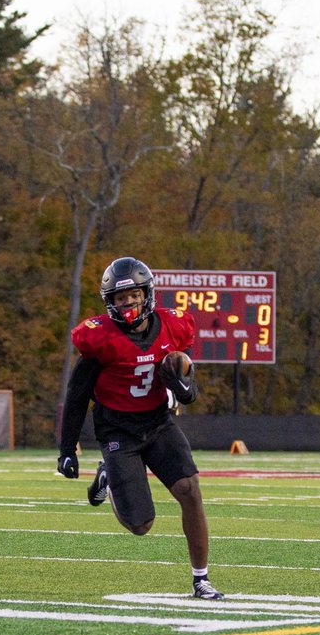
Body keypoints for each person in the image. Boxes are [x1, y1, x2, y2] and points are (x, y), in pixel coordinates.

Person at [57, 256, 225, 600]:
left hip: (158, 423)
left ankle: (201, 579)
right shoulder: (99, 338)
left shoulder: (173, 325)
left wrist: (185, 389)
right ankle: (109, 479)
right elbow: (77, 397)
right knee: (140, 525)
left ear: (146, 294)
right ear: (110, 303)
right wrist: (66, 450)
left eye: (133, 295)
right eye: (120, 298)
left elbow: (186, 376)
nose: (128, 302)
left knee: (190, 490)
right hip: (119, 430)